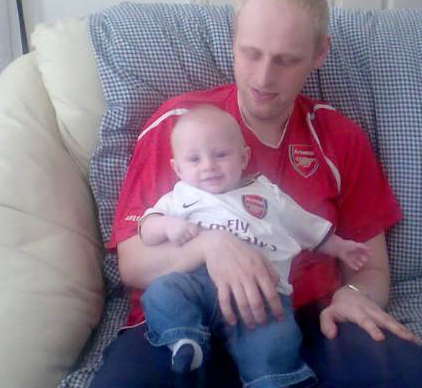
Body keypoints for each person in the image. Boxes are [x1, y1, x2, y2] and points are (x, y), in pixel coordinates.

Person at [89, 0, 422, 388]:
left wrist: (354, 296)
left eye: (286, 60)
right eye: (250, 53)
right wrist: (210, 247)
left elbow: (371, 264)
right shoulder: (181, 128)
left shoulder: (339, 136)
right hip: (185, 321)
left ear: (319, 53)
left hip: (305, 318)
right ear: (233, 40)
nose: (263, 78)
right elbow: (133, 264)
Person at [139, 106, 370, 387]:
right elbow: (147, 228)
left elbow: (308, 228)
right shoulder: (179, 196)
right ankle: (184, 340)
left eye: (220, 154)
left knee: (276, 340)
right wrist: (166, 225)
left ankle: (274, 379)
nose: (208, 166)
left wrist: (341, 247)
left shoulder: (267, 194)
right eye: (194, 159)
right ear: (177, 168)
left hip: (261, 293)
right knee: (162, 292)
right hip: (198, 283)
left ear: (243, 157)